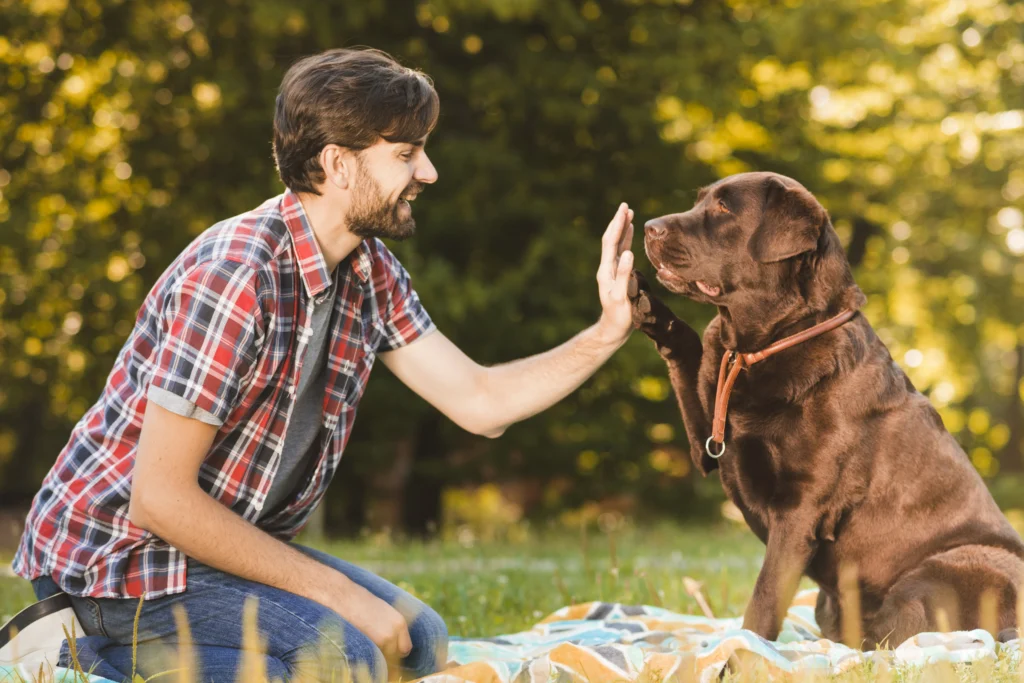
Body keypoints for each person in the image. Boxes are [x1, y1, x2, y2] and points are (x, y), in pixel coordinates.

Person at [12, 48, 636, 681]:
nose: (429, 171)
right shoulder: (237, 275)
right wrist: (338, 595)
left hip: (208, 553)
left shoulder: (369, 272)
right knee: (343, 656)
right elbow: (160, 499)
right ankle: (70, 651)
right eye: (405, 154)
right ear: (339, 164)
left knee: (419, 640)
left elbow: (480, 403)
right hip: (120, 562)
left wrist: (607, 332)